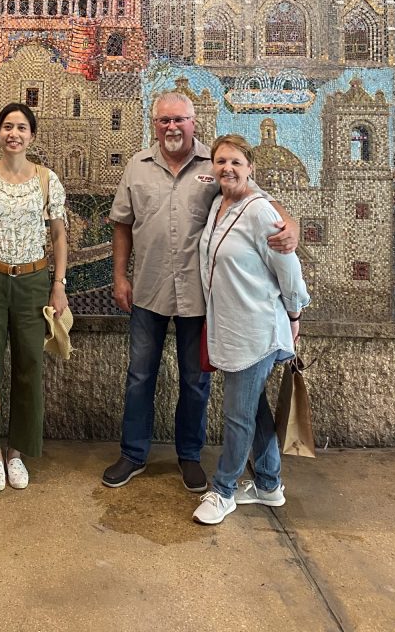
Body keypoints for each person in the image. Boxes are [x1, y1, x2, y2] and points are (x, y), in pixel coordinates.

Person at [102, 91, 298, 494]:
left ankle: (189, 455)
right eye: (164, 121)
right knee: (140, 376)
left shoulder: (218, 163)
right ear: (154, 124)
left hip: (201, 299)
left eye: (180, 120)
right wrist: (120, 277)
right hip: (148, 291)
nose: (172, 127)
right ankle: (133, 453)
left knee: (196, 381)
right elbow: (122, 224)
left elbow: (256, 196)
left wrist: (289, 222)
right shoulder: (137, 167)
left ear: (194, 122)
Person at [192, 134, 309, 525]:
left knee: (237, 414)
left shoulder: (260, 211)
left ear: (250, 168)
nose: (228, 168)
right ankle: (269, 484)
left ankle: (223, 490)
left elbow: (289, 268)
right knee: (253, 408)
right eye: (221, 161)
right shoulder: (219, 205)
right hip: (231, 325)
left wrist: (294, 318)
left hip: (257, 329)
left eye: (236, 163)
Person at [0, 103, 68, 492]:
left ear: (31, 135)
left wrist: (59, 283)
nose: (14, 134)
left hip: (34, 280)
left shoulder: (46, 180)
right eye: (7, 127)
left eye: (21, 127)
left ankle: (18, 452)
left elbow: (57, 234)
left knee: (29, 364)